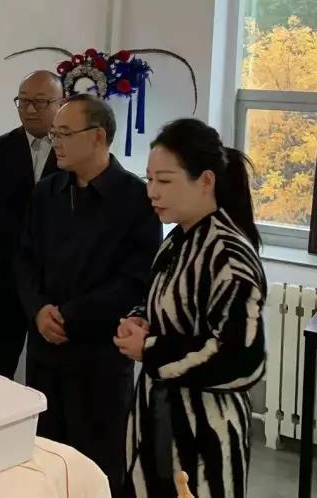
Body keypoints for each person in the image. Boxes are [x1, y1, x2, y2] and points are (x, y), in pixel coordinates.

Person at [16, 94, 160, 494]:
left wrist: (70, 316)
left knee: (97, 466)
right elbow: (24, 260)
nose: (55, 142)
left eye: (65, 133)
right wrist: (38, 310)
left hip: (98, 356)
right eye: (54, 133)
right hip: (45, 349)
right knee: (45, 460)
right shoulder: (47, 191)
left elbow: (135, 280)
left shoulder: (136, 199)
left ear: (98, 137)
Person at [115, 119, 267, 498]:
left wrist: (149, 349)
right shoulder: (176, 242)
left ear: (206, 181)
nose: (152, 192)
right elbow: (167, 304)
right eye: (149, 179)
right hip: (158, 419)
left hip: (204, 434)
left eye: (165, 181)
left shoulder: (229, 256)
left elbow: (242, 360)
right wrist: (140, 318)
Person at [0, 70, 63, 380]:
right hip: (4, 272)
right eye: (23, 101)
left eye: (40, 102)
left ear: (61, 102)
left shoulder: (70, 150)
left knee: (47, 370)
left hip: (54, 280)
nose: (29, 109)